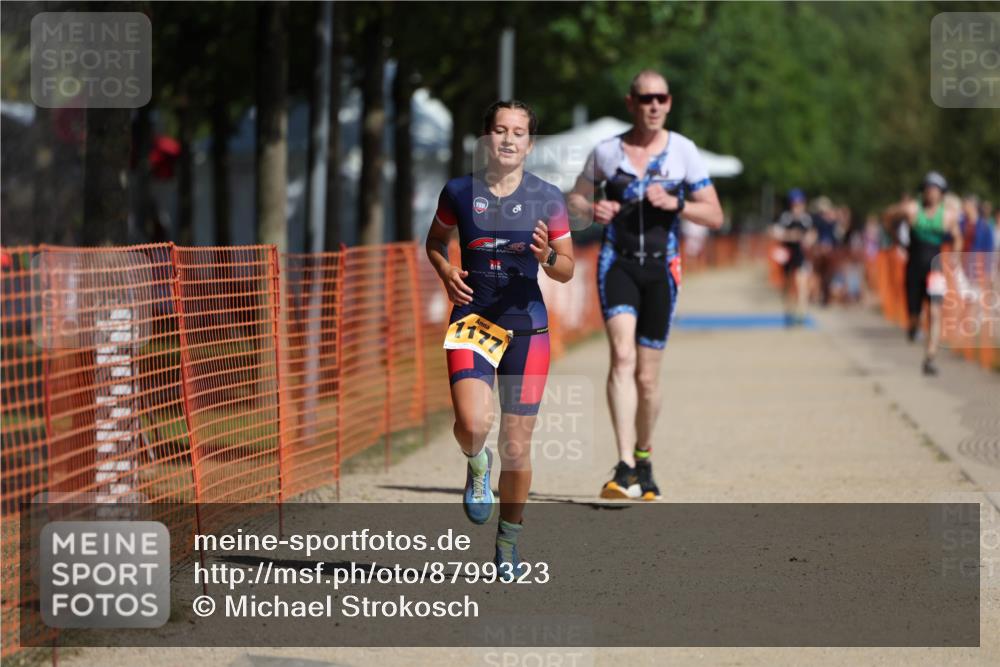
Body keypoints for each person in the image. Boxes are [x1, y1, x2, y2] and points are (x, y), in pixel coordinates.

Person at [425, 100, 574, 577]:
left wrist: (548, 255)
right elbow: (434, 241)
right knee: (472, 424)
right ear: (486, 138)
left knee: (516, 444)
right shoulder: (459, 191)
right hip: (473, 321)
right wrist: (447, 270)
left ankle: (508, 541)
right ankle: (475, 463)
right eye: (500, 130)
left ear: (530, 143)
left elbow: (567, 268)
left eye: (519, 132)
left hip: (527, 327)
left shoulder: (547, 196)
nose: (509, 139)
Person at [567, 69, 723, 501]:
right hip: (618, 262)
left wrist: (678, 203)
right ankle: (623, 466)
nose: (654, 105)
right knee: (621, 356)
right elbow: (574, 200)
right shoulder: (606, 152)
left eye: (662, 98)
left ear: (669, 103)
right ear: (631, 103)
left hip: (662, 268)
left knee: (648, 378)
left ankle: (644, 456)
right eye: (646, 98)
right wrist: (591, 208)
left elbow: (715, 214)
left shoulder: (683, 152)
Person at [882, 171, 962, 376]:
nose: (931, 194)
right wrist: (896, 240)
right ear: (923, 191)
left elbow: (957, 237)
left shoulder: (948, 215)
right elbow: (889, 217)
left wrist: (956, 257)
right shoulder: (911, 209)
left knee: (935, 312)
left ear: (942, 193)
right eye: (928, 189)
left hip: (935, 269)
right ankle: (912, 327)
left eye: (935, 190)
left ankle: (930, 357)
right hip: (914, 266)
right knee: (914, 315)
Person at [772, 189, 815, 325]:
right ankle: (789, 312)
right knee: (787, 285)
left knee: (802, 284)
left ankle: (801, 313)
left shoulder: (806, 219)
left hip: (801, 255)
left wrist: (809, 239)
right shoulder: (785, 218)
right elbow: (776, 233)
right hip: (787, 255)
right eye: (795, 204)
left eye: (800, 204)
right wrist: (791, 236)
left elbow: (812, 234)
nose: (798, 207)